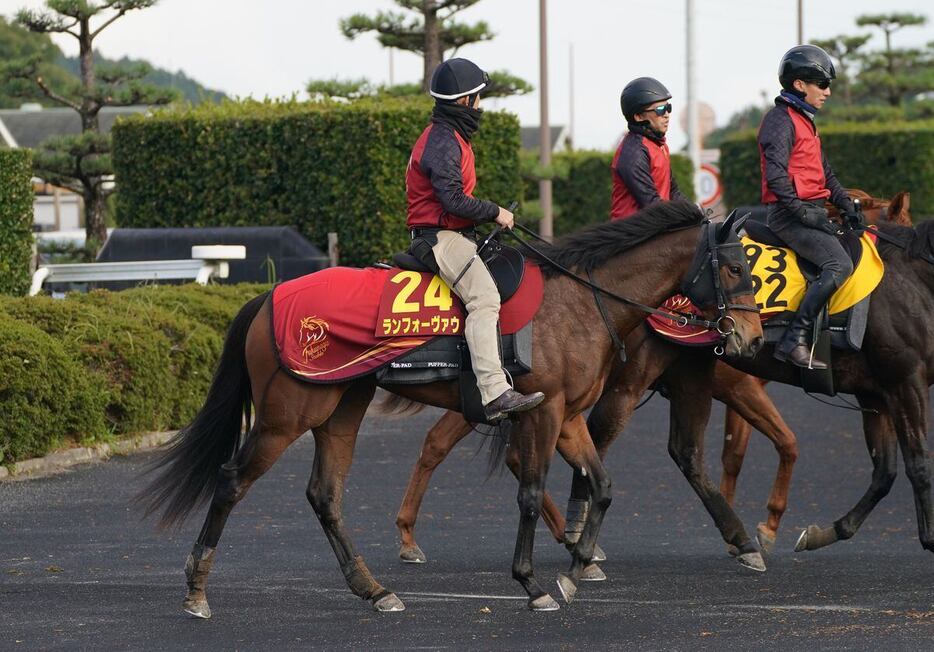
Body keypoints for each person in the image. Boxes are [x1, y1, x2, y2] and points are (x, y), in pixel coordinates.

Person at [406, 58, 545, 421]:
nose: (481, 107)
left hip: (452, 233)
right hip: (437, 238)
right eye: (478, 99)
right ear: (464, 102)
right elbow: (452, 200)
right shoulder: (442, 142)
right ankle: (495, 392)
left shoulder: (450, 137)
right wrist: (495, 211)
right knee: (484, 299)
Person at [758, 44, 858, 369]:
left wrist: (846, 204)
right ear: (800, 84)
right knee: (838, 266)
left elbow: (824, 172)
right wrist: (801, 212)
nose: (827, 92)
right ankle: (793, 339)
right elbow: (775, 177)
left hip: (810, 211)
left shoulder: (806, 120)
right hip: (790, 216)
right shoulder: (779, 121)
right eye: (822, 85)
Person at [611, 77, 688, 220]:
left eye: (668, 107)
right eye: (660, 110)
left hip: (654, 227)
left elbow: (673, 192)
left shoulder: (660, 145)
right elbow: (651, 203)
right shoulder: (633, 153)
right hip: (632, 234)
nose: (667, 114)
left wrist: (694, 212)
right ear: (639, 116)